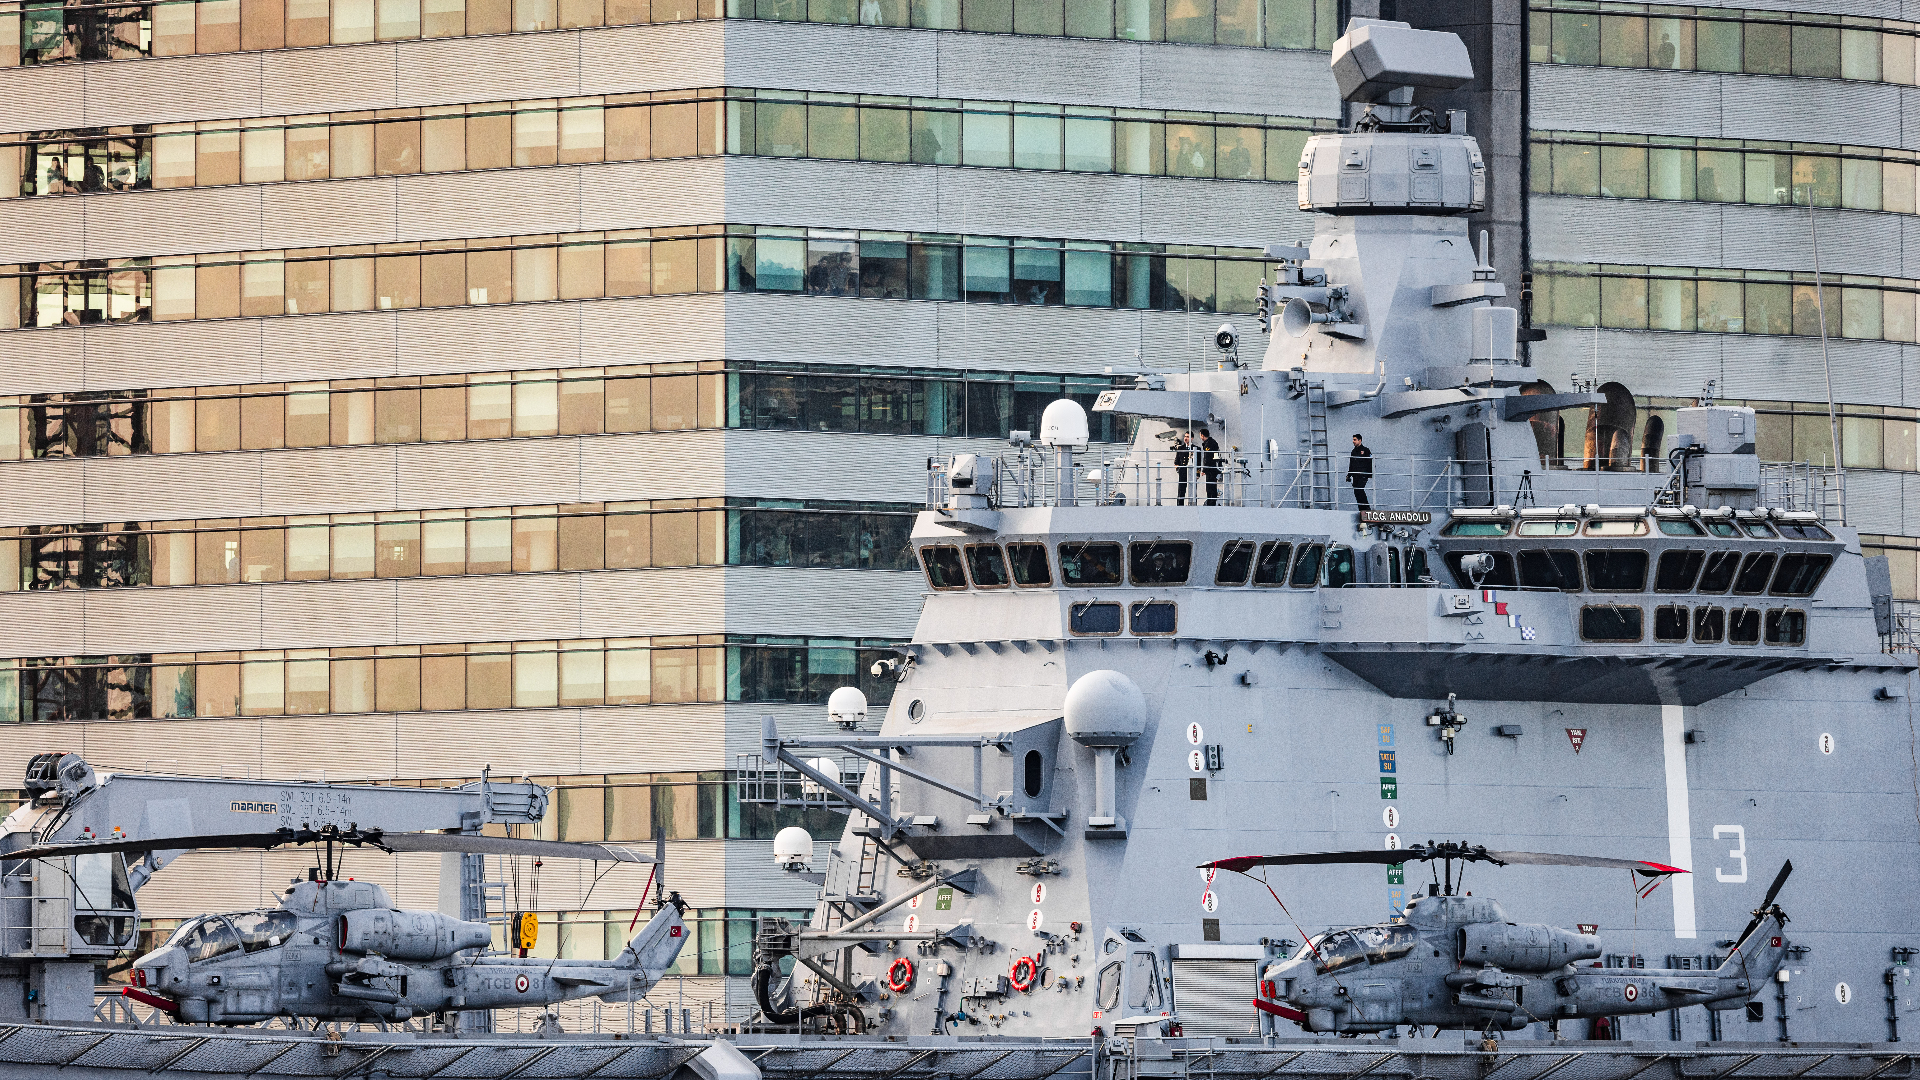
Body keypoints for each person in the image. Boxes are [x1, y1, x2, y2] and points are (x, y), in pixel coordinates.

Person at [1346, 433, 1373, 510]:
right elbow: (1351, 464)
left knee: (1360, 490)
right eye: (1353, 439)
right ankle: (1361, 509)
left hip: (1363, 475)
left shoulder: (1366, 450)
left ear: (1359, 440)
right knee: (1356, 492)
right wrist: (1349, 475)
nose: (1353, 441)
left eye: (1355, 440)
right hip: (1355, 475)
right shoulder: (1353, 451)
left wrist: (1369, 473)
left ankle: (1366, 508)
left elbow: (1370, 462)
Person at [1199, 428, 1222, 505]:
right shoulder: (1211, 442)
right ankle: (1212, 502)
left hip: (1211, 469)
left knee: (1210, 487)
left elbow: (1207, 457)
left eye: (1200, 435)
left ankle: (1211, 503)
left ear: (1202, 435)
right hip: (1213, 468)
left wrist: (1204, 470)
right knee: (1212, 486)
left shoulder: (1209, 444)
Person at [1172, 431, 1192, 505]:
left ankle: (1192, 504)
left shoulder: (1195, 448)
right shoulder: (1181, 448)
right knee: (1181, 490)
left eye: (1187, 437)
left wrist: (1197, 473)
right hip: (1183, 471)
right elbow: (1176, 461)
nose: (1185, 438)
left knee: (1192, 490)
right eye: (1185, 436)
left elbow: (1198, 461)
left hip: (1191, 472)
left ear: (1192, 438)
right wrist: (1178, 469)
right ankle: (1180, 505)